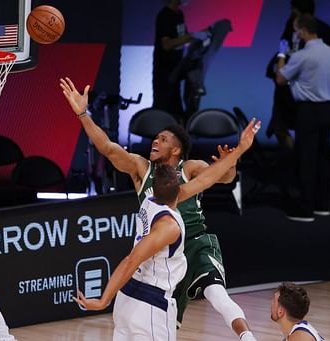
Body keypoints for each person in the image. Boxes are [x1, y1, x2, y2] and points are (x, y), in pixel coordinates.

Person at [60, 76, 259, 341]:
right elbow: (107, 148)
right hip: (161, 256)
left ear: (176, 149)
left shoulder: (188, 169)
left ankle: (246, 335)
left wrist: (231, 162)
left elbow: (221, 177)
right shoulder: (142, 170)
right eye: (156, 137)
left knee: (215, 292)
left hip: (194, 242)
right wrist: (83, 115)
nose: (155, 141)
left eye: (163, 139)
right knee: (167, 323)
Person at [276, 13, 330, 222]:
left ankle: (306, 209)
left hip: (308, 111)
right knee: (324, 157)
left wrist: (282, 56)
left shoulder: (302, 55)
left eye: (296, 30)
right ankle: (323, 204)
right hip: (328, 109)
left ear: (302, 31)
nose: (295, 34)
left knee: (307, 159)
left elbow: (281, 79)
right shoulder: (329, 52)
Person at [266, 0, 330, 151]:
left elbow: (281, 77)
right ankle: (297, 161)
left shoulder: (303, 52)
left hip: (302, 99)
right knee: (314, 144)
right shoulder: (293, 28)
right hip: (310, 100)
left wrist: (282, 55)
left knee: (312, 146)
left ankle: (300, 161)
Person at [153, 0, 209, 123]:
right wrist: (192, 36)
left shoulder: (179, 14)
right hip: (164, 72)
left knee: (177, 109)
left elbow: (183, 36)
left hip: (176, 69)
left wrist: (203, 33)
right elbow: (166, 44)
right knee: (164, 109)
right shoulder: (165, 16)